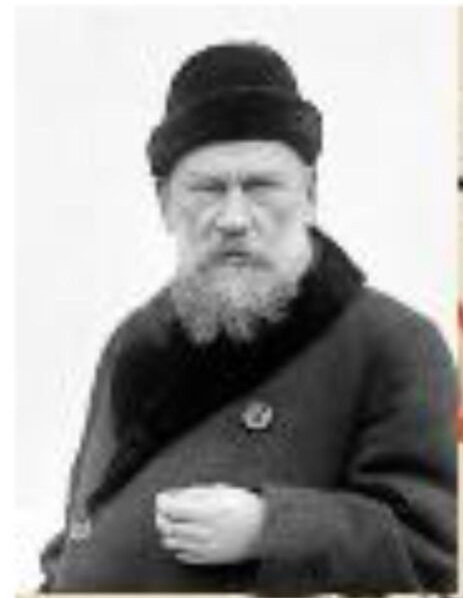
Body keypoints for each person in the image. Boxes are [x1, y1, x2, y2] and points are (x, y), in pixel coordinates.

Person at [39, 42, 457, 594]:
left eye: (260, 186)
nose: (234, 217)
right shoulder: (135, 338)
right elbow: (84, 529)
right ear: (165, 203)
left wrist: (269, 527)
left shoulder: (395, 343)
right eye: (207, 189)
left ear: (309, 193)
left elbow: (431, 554)